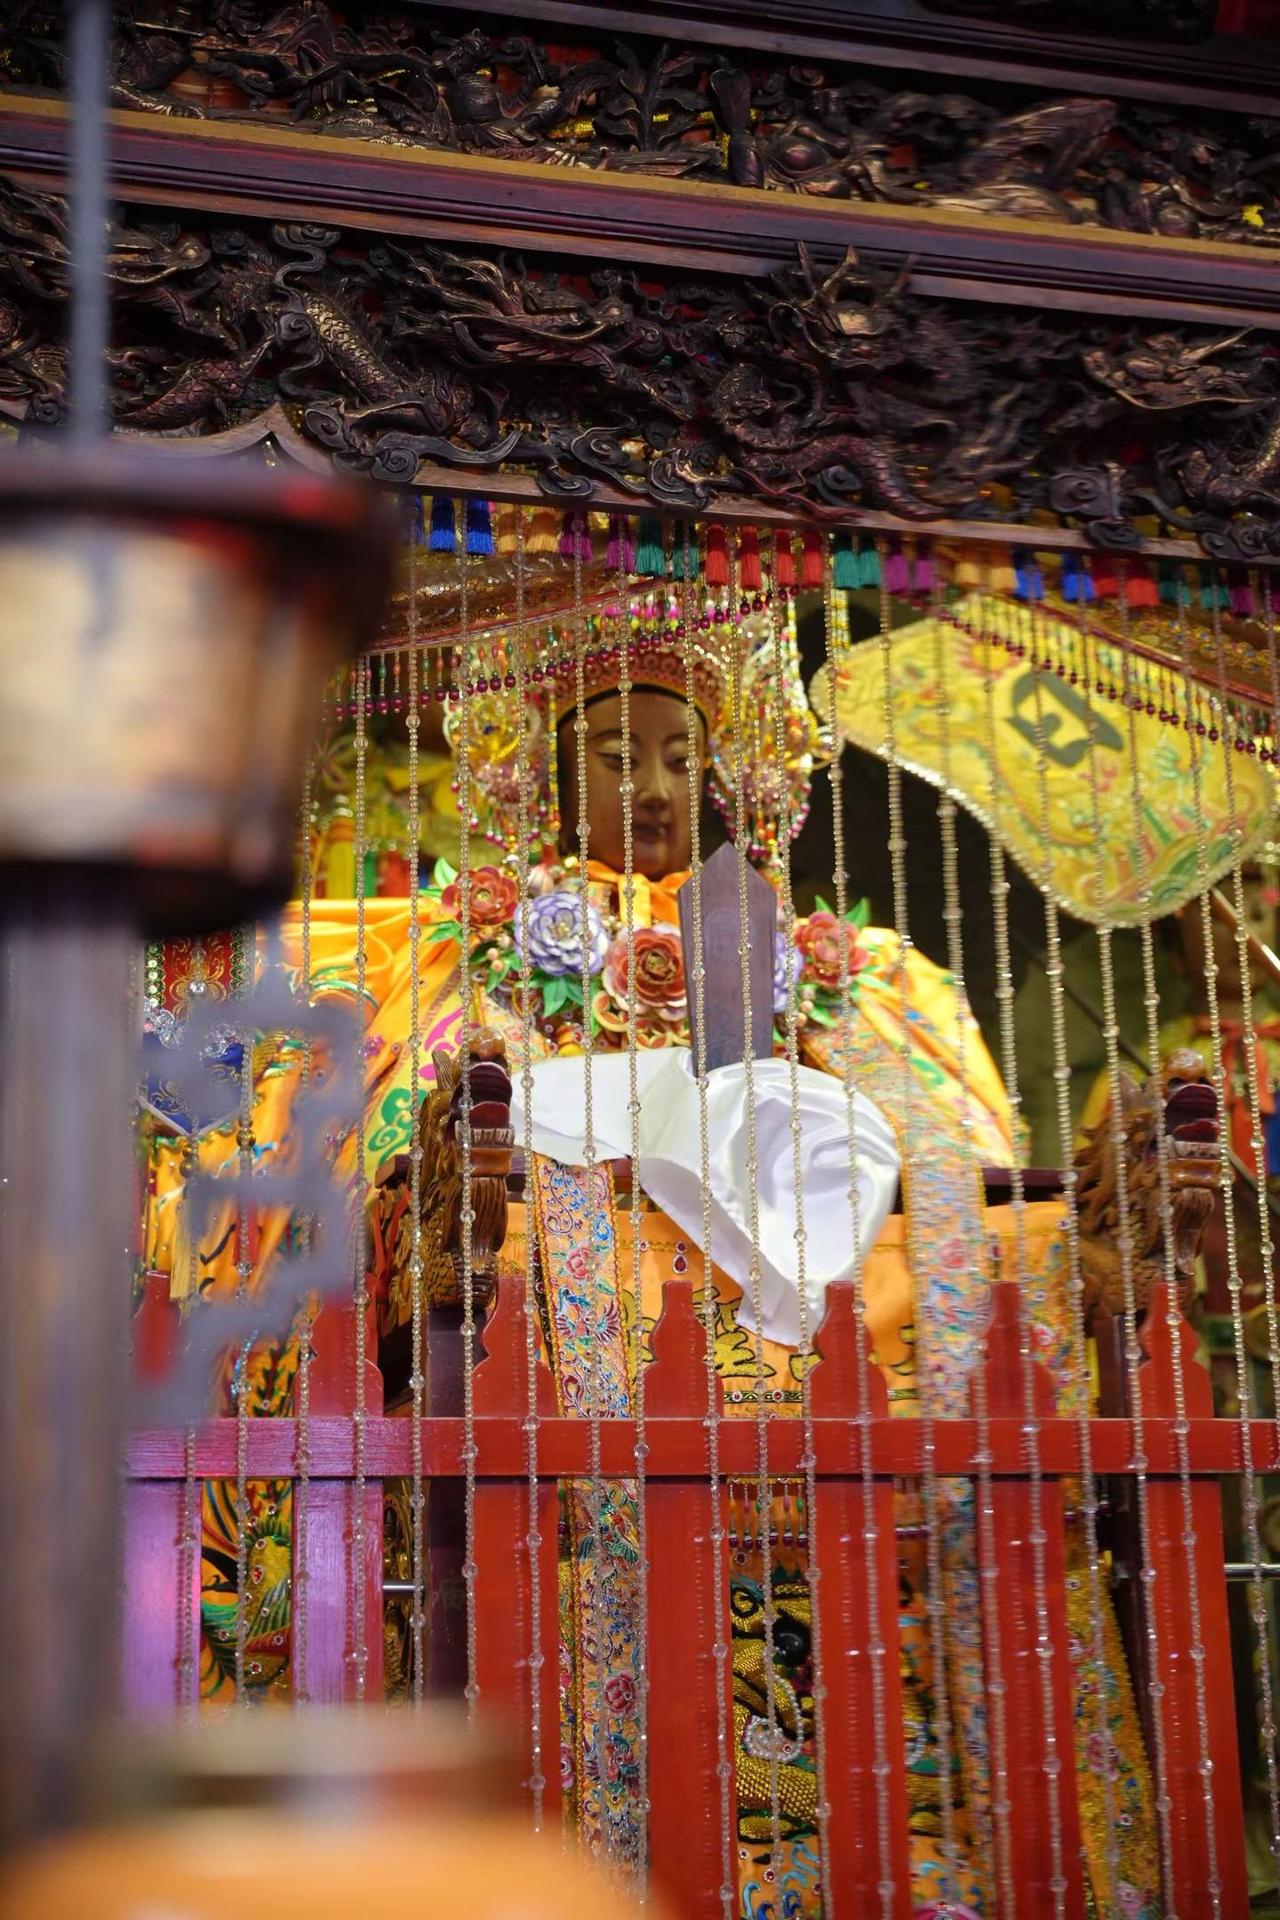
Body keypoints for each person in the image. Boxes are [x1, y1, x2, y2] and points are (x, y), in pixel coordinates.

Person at [139, 579, 1158, 1914]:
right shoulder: (458, 954)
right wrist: (448, 1198)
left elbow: (940, 1172)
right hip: (564, 1375)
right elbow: (367, 1165)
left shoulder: (841, 969)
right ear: (548, 772)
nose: (660, 784)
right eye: (620, 753)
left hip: (809, 1365)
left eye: (684, 754)